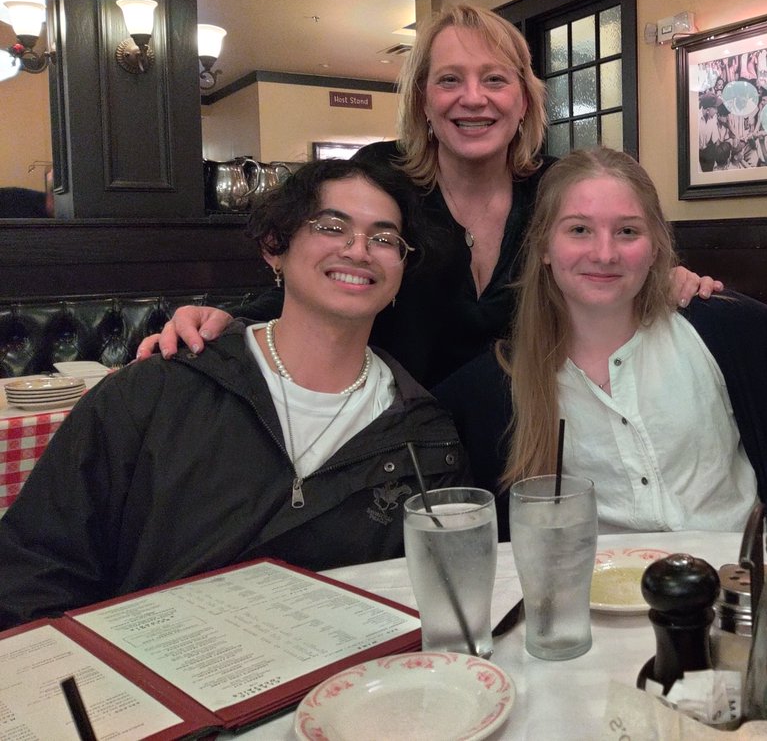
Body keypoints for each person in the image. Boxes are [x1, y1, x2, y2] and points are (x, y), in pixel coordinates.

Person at [141, 3, 719, 386]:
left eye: (495, 79)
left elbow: (607, 264)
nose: (474, 98)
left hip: (536, 438)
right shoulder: (378, 177)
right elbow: (325, 276)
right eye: (450, 80)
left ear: (523, 99)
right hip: (393, 438)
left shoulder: (555, 191)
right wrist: (229, 321)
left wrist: (663, 281)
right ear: (423, 99)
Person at [0, 158, 468, 629]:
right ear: (274, 246)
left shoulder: (426, 441)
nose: (359, 250)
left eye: (385, 239)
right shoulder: (153, 393)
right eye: (331, 226)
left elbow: (429, 604)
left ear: (402, 270)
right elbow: (32, 569)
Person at [435, 148, 767, 536]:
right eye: (579, 230)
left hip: (740, 585)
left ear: (655, 248)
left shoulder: (729, 332)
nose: (604, 254)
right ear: (545, 246)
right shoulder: (496, 388)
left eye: (628, 231)